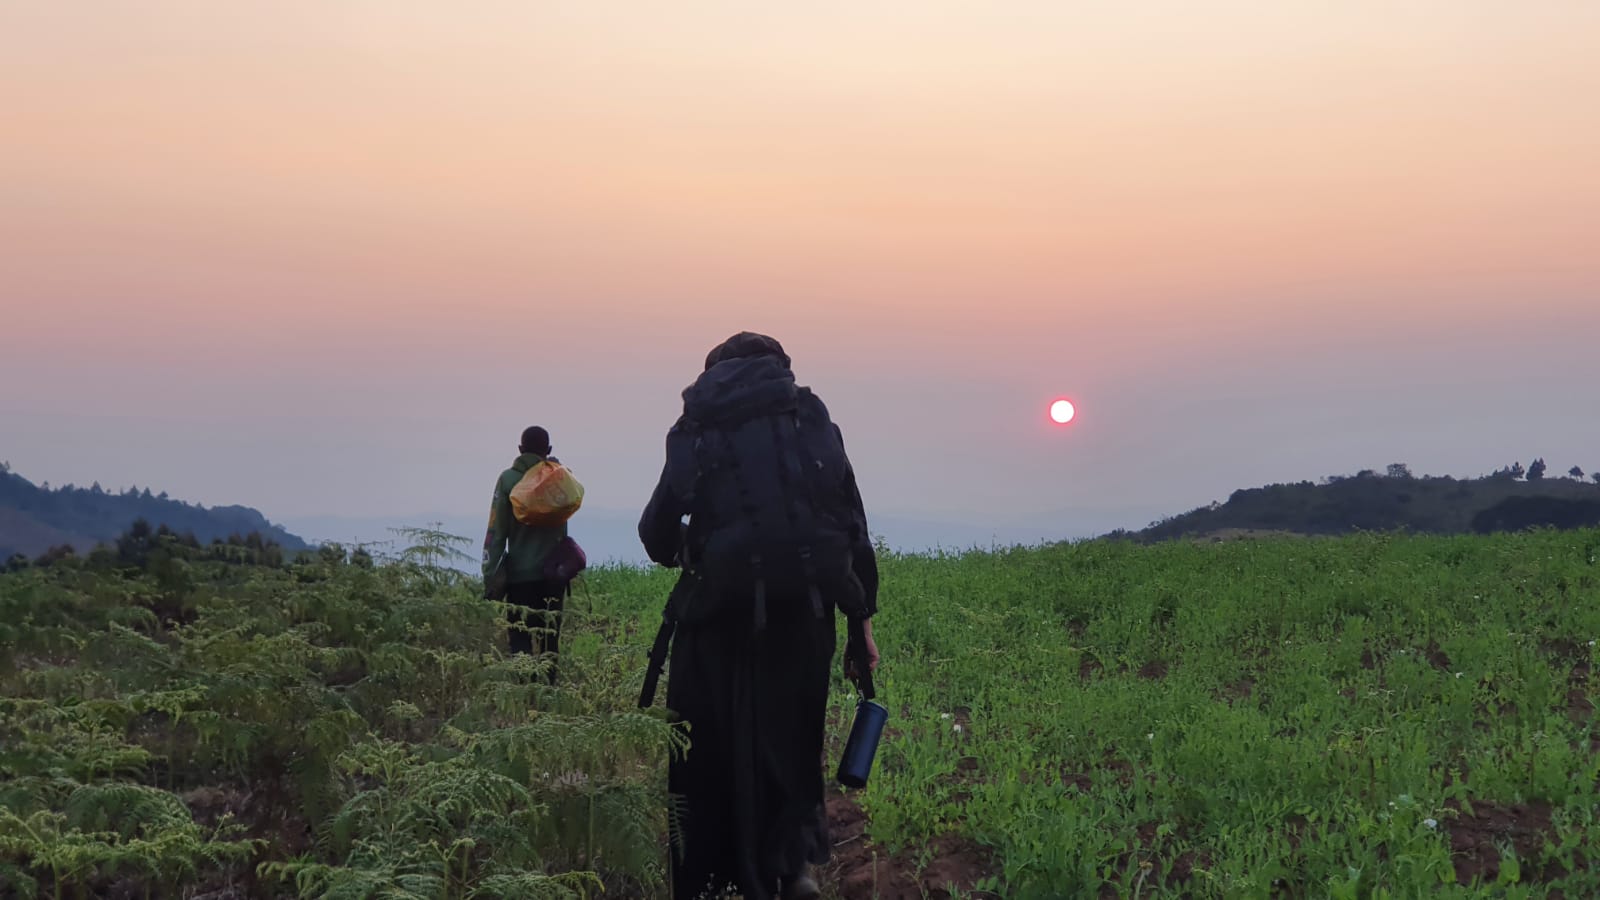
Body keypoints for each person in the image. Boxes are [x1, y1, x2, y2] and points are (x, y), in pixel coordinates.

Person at [638, 332, 880, 900]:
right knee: (793, 744)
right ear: (780, 369)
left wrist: (693, 552)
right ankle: (793, 868)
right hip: (807, 616)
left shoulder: (699, 425)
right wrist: (860, 623)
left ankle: (714, 881)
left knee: (708, 757)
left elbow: (654, 533)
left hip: (716, 621)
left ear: (715, 374)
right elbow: (852, 526)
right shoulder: (811, 420)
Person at [483, 426, 571, 679]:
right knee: (549, 644)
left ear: (520, 450)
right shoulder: (559, 478)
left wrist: (490, 575)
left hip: (520, 578)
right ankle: (548, 699)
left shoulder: (508, 480)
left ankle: (523, 698)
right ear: (549, 450)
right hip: (554, 575)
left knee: (520, 641)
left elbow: (496, 532)